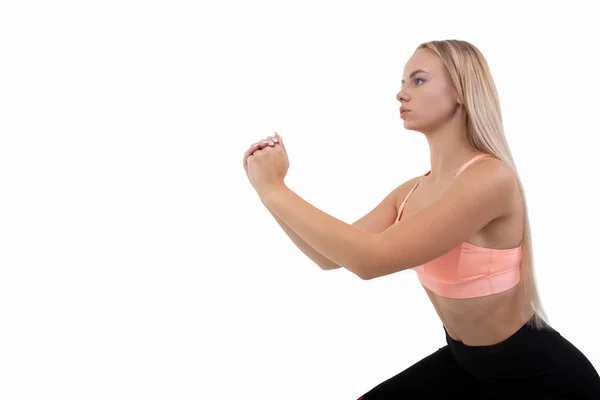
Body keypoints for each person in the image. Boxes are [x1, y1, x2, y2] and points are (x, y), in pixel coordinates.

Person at [243, 40, 600, 398]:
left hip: (542, 378)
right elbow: (326, 257)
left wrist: (275, 189)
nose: (401, 94)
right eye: (401, 83)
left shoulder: (490, 178)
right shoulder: (412, 192)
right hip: (468, 365)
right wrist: (269, 191)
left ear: (460, 90)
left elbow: (370, 260)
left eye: (417, 80)